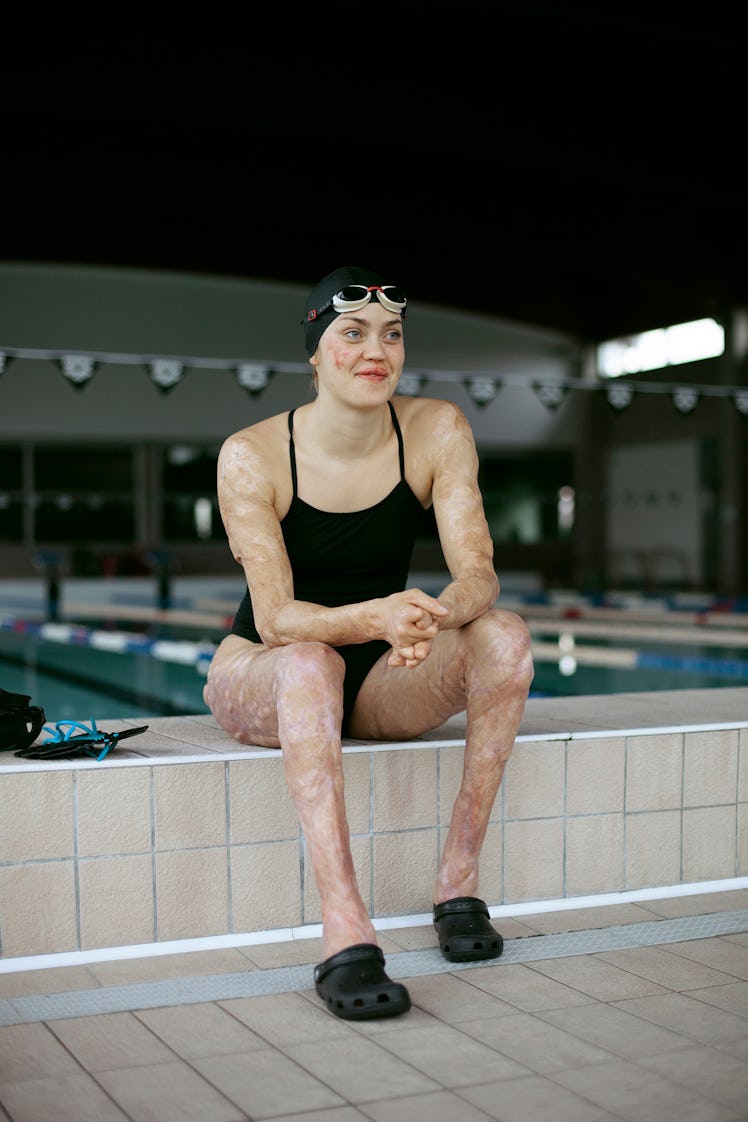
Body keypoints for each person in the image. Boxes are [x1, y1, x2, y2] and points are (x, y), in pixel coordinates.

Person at [204, 265, 534, 1020]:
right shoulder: (252, 454)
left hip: (384, 668)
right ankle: (344, 928)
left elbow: (478, 575)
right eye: (350, 333)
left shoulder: (435, 429)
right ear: (316, 353)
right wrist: (378, 618)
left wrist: (433, 617)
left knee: (506, 640)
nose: (373, 350)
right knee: (311, 662)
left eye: (390, 334)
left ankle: (457, 885)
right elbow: (279, 618)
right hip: (264, 669)